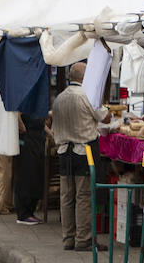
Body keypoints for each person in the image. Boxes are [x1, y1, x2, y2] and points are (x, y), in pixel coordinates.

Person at [51, 61, 108, 251]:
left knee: (66, 196)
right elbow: (104, 117)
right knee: (83, 196)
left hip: (63, 151)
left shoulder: (59, 98)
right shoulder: (87, 95)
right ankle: (83, 239)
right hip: (84, 151)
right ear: (85, 78)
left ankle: (68, 238)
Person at [13, 112, 48, 225]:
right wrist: (21, 126)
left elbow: (42, 124)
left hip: (38, 139)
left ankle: (30, 212)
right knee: (27, 173)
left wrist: (50, 134)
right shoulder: (25, 96)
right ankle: (23, 214)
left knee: (37, 174)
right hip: (27, 138)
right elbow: (15, 111)